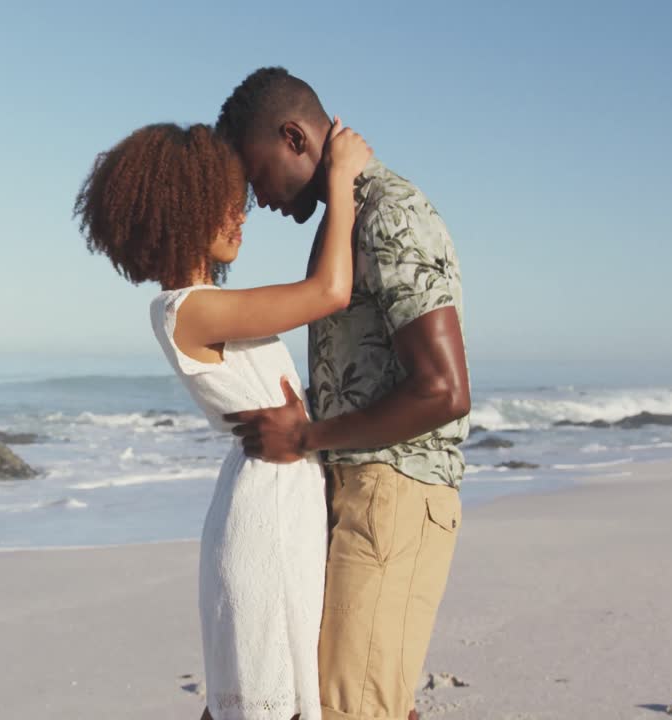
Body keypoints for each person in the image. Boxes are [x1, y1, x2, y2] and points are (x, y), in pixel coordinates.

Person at [75, 119, 372, 720]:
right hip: (264, 514)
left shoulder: (209, 306)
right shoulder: (186, 311)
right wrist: (340, 177)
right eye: (220, 206)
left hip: (280, 499)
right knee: (266, 696)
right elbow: (329, 292)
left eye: (238, 204)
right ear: (175, 213)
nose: (239, 218)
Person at [216, 67, 471, 720]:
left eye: (256, 172)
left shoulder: (390, 213)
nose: (254, 198)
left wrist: (305, 437)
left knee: (352, 708)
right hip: (358, 488)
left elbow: (444, 391)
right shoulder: (345, 220)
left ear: (294, 136)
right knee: (351, 702)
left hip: (395, 489)